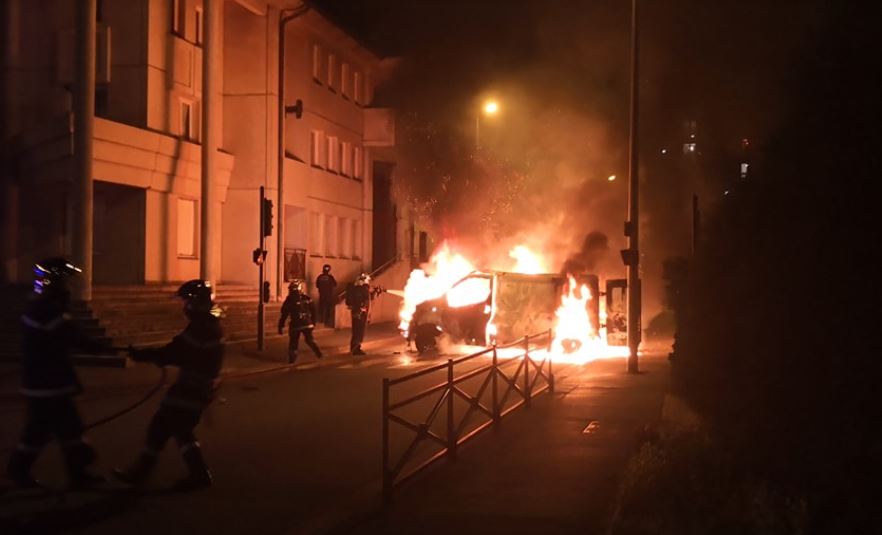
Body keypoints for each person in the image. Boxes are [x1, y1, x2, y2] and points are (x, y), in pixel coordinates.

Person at [5, 257, 108, 489]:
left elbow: (66, 336)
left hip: (47, 382)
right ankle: (70, 472)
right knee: (59, 429)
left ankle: (25, 470)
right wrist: (97, 347)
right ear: (56, 282)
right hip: (47, 383)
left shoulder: (45, 306)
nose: (70, 287)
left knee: (51, 430)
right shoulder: (45, 309)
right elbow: (68, 336)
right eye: (66, 282)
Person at [115, 280, 224, 491]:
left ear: (194, 303)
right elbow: (179, 352)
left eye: (186, 302)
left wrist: (143, 355)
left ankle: (198, 475)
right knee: (161, 427)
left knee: (178, 429)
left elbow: (174, 352)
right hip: (194, 387)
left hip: (191, 388)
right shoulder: (207, 325)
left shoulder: (202, 328)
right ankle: (142, 472)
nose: (184, 306)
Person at [278, 279, 323, 363]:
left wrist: (280, 325)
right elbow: (313, 310)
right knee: (309, 339)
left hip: (295, 325)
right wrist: (313, 322)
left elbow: (284, 313)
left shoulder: (289, 300)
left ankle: (292, 359)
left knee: (293, 342)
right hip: (307, 323)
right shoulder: (306, 298)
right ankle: (318, 352)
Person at [345, 273, 371, 356]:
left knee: (356, 330)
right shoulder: (362, 289)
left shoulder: (355, 289)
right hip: (361, 313)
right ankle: (356, 349)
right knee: (359, 331)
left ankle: (354, 348)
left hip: (356, 313)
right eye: (367, 280)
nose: (368, 282)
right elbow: (366, 300)